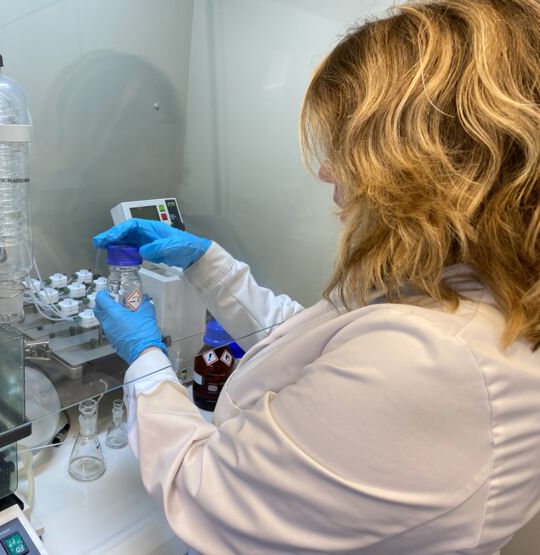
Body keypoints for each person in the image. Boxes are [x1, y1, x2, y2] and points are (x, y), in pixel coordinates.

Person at [92, 0, 540, 553]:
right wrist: (209, 263)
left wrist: (143, 357)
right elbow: (310, 348)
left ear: (426, 164)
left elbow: (202, 490)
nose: (327, 170)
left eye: (348, 145)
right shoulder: (461, 293)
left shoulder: (439, 364)